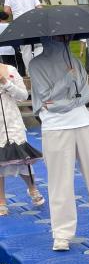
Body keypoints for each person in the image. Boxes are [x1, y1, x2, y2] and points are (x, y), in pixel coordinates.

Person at [29, 37, 89, 251]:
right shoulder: (36, 64)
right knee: (60, 183)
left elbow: (84, 95)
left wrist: (63, 100)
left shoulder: (75, 61)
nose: (64, 40)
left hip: (84, 122)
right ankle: (62, 234)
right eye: (58, 36)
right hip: (55, 127)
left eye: (66, 36)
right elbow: (45, 97)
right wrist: (66, 81)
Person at [0, 63, 45, 214]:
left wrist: (5, 82)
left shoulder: (10, 69)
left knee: (22, 157)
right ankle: (1, 200)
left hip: (12, 121)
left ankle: (32, 188)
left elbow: (23, 96)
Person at [3, 0, 42, 71]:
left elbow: (6, 11)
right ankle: (39, 68)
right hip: (33, 22)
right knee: (38, 45)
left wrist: (14, 12)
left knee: (25, 48)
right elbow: (40, 8)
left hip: (19, 23)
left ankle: (30, 70)